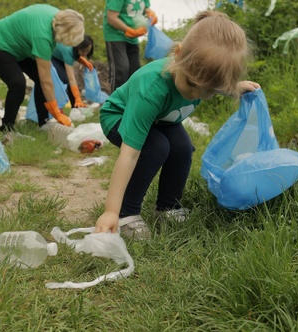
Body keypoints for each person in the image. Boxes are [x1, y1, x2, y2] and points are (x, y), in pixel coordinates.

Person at [94, 11, 261, 240]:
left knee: (182, 146)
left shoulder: (201, 78)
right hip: (119, 116)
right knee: (156, 147)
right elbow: (129, 156)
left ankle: (168, 208)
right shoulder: (151, 89)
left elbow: (213, 84)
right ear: (178, 54)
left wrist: (236, 86)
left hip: (161, 118)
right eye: (191, 83)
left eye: (208, 91)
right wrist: (110, 211)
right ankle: (126, 213)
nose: (194, 94)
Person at [0, 4, 84, 132]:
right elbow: (46, 82)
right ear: (65, 31)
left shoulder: (58, 18)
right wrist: (57, 113)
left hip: (20, 48)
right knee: (18, 84)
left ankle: (43, 123)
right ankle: (7, 128)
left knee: (41, 79)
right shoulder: (43, 36)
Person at [103, 0, 157, 92]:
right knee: (121, 69)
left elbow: (145, 7)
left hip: (133, 38)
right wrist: (129, 31)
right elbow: (111, 18)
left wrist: (150, 13)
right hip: (115, 35)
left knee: (135, 71)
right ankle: (114, 103)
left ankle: (130, 102)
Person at [51, 35, 94, 109]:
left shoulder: (75, 46)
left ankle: (76, 106)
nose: (85, 54)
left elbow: (75, 54)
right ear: (77, 47)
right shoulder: (68, 50)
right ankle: (57, 106)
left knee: (68, 82)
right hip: (52, 57)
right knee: (65, 80)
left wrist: (82, 60)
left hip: (61, 57)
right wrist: (78, 97)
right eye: (83, 51)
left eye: (87, 51)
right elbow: (71, 78)